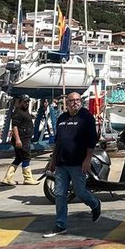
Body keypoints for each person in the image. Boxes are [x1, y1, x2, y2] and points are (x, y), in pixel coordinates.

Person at [44, 92, 101, 236]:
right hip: (61, 163)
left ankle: (95, 204)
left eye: (78, 100)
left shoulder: (86, 117)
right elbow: (58, 141)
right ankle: (60, 224)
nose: (75, 102)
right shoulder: (61, 118)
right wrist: (53, 160)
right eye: (72, 100)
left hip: (78, 163)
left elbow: (91, 141)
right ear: (67, 103)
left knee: (80, 192)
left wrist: (87, 159)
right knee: (59, 194)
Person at [2, 95, 39, 186]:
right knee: (26, 158)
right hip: (22, 139)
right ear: (20, 102)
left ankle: (7, 178)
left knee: (18, 158)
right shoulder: (18, 112)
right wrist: (18, 140)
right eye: (25, 102)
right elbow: (14, 127)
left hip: (24, 138)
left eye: (28, 102)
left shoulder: (24, 111)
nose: (26, 103)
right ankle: (28, 178)